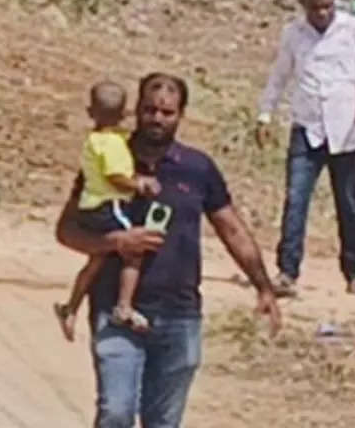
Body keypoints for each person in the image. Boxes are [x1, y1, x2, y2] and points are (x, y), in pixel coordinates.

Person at [55, 73, 282, 428]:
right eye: (149, 110)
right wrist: (115, 243)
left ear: (181, 115)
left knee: (163, 421)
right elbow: (67, 230)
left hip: (180, 314)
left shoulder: (198, 168)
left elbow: (231, 228)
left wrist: (263, 286)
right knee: (115, 413)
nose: (157, 119)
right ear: (135, 111)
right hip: (117, 312)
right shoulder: (109, 156)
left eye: (167, 112)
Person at [257, 0, 355, 298]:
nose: (323, 14)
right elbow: (280, 74)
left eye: (327, 7)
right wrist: (265, 114)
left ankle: (353, 272)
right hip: (307, 126)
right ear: (304, 6)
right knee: (296, 199)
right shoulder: (293, 34)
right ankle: (287, 271)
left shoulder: (354, 30)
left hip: (345, 129)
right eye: (316, 8)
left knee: (349, 205)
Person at [55, 81, 159, 340]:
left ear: (91, 112)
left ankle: (70, 307)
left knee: (97, 259)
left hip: (91, 204)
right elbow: (115, 176)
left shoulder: (98, 139)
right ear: (124, 114)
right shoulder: (111, 143)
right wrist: (140, 184)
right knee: (134, 248)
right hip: (109, 203)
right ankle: (124, 306)